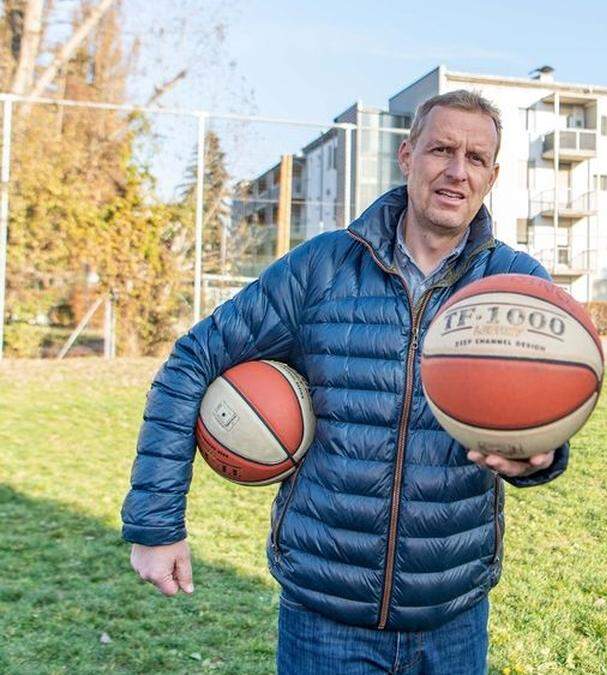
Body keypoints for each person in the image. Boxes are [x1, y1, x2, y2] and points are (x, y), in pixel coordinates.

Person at [121, 90, 568, 674]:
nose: (457, 171)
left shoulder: (517, 285)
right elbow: (191, 360)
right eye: (441, 149)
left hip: (451, 614)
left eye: (477, 158)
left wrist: (544, 454)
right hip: (325, 616)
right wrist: (156, 525)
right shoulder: (322, 268)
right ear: (407, 156)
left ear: (493, 175)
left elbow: (550, 414)